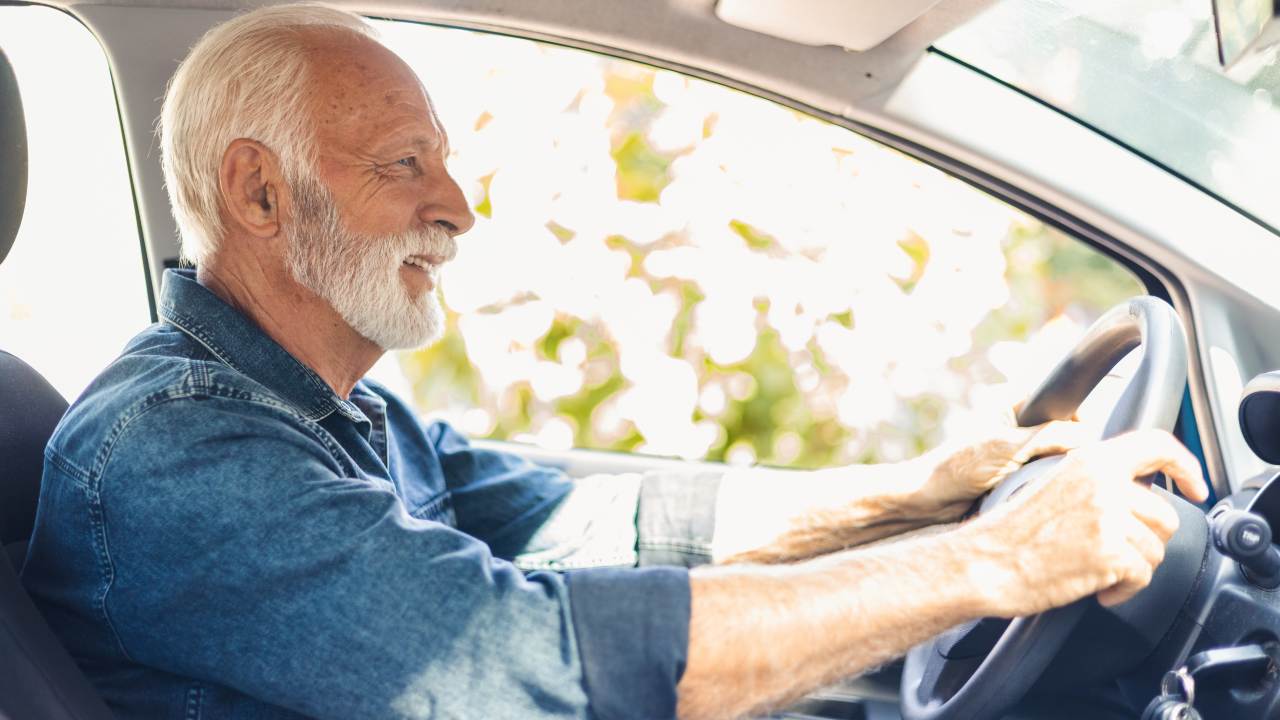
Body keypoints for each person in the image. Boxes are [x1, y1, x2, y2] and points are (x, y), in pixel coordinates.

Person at [19, 4, 1208, 720]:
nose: (459, 209)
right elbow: (524, 666)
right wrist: (998, 557)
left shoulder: (337, 419)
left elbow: (596, 524)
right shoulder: (180, 452)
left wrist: (924, 489)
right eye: (402, 165)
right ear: (258, 190)